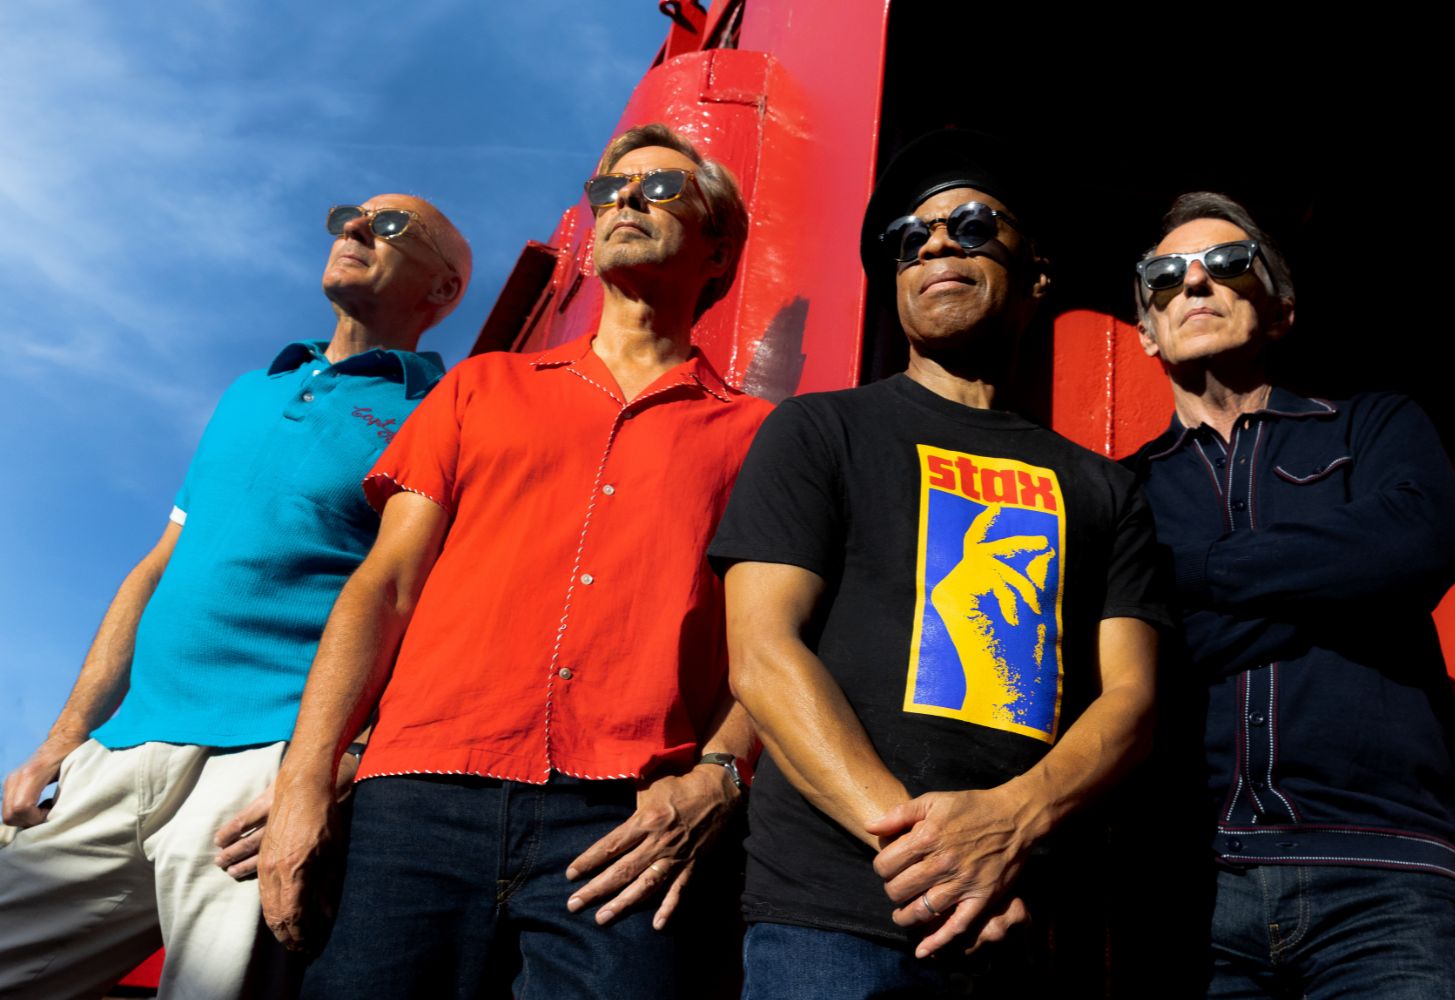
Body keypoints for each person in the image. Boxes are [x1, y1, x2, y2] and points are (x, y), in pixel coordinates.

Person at [258, 123, 769, 999]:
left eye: (661, 188)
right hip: (416, 801)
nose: (625, 200)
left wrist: (719, 776)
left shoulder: (760, 436)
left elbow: (774, 641)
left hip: (626, 825)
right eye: (609, 189)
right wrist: (306, 780)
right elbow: (386, 585)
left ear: (718, 250)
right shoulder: (479, 386)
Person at [708, 128, 1171, 998]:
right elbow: (763, 657)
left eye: (971, 224)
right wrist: (935, 859)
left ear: (1036, 270)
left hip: (1020, 928)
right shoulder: (819, 432)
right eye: (908, 238)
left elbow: (1132, 701)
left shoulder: (1106, 489)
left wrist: (1014, 821)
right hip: (831, 922)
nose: (934, 245)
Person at [0, 194, 470, 999]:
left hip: (262, 767)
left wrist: (337, 765)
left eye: (392, 227)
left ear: (442, 289)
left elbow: (419, 600)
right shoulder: (249, 392)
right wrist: (64, 737)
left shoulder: (441, 411)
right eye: (351, 217)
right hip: (120, 750)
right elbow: (158, 566)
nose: (356, 230)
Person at [1123, 191, 1455, 998]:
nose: (1195, 283)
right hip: (1187, 891)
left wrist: (1195, 574)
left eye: (1227, 263)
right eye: (1166, 275)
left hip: (1386, 881)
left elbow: (1419, 544)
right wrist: (1341, 597)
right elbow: (1132, 667)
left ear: (1280, 309)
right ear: (1147, 330)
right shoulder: (1119, 493)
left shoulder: (1373, 427)